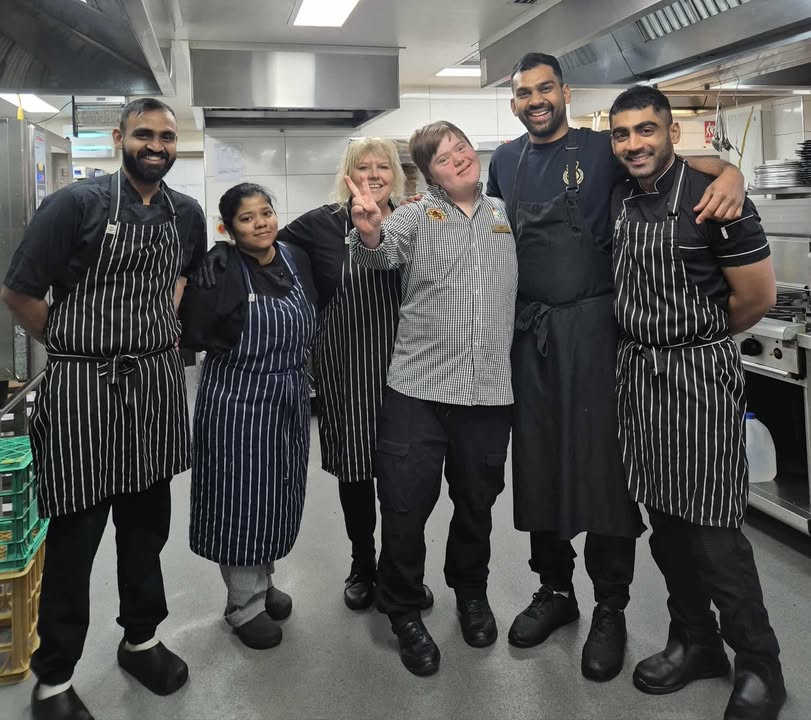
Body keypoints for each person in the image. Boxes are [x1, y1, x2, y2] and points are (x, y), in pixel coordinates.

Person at [486, 52, 748, 683]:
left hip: (601, 334)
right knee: (539, 465)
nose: (535, 100)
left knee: (605, 473)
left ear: (565, 93)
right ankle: (555, 590)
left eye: (545, 88)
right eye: (524, 93)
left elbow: (686, 168)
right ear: (515, 102)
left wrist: (734, 171)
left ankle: (610, 608)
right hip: (533, 334)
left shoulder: (605, 148)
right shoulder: (503, 160)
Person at [0, 98, 206, 720]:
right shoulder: (77, 205)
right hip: (82, 395)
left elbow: (182, 278)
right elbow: (19, 291)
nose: (156, 145)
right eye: (144, 134)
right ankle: (54, 680)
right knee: (75, 544)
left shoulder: (186, 213)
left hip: (155, 389)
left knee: (146, 533)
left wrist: (150, 333)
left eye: (166, 137)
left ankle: (140, 640)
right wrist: (75, 344)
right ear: (120, 138)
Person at [196, 139, 433, 612]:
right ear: (346, 173)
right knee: (355, 474)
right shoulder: (323, 224)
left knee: (406, 477)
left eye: (381, 165)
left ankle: (399, 571)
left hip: (410, 365)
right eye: (361, 166)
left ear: (397, 174)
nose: (372, 174)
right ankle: (362, 566)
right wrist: (224, 255)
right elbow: (266, 245)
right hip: (345, 369)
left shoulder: (418, 220)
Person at [609, 85, 784, 720]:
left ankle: (761, 664)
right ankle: (695, 640)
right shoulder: (620, 196)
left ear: (670, 134)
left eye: (646, 131)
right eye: (622, 134)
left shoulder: (720, 202)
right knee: (668, 528)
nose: (634, 144)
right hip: (637, 375)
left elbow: (757, 298)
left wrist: (695, 342)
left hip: (697, 374)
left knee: (714, 533)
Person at [347, 121, 517, 677]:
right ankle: (403, 607)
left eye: (461, 148)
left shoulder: (505, 215)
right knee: (404, 507)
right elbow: (379, 254)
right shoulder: (416, 215)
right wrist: (369, 229)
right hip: (417, 390)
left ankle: (470, 592)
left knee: (476, 504)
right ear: (428, 171)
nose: (459, 159)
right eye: (443, 157)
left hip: (488, 392)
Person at [179, 183, 317, 650]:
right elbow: (195, 334)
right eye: (247, 218)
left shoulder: (293, 260)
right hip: (237, 400)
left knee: (277, 492)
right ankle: (242, 604)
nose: (261, 223)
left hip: (288, 397)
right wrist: (205, 279)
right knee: (241, 499)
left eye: (266, 212)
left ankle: (263, 581)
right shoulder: (220, 268)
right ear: (229, 228)